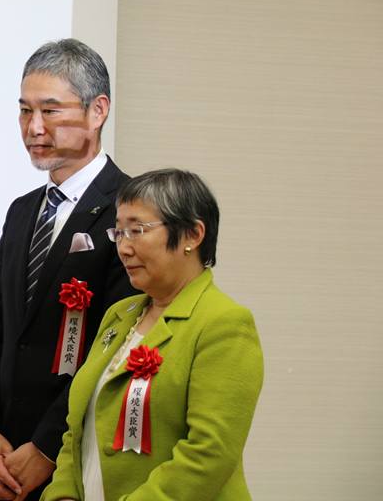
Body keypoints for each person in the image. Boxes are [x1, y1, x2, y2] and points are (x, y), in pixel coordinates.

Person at [0, 39, 136, 501]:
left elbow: (115, 350)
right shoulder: (22, 211)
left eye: (50, 110)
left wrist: (46, 447)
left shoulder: (131, 208)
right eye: (24, 111)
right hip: (5, 464)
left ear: (98, 111)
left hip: (77, 461)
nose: (34, 127)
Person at [41, 169, 264, 501]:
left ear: (192, 235)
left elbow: (208, 454)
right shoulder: (120, 315)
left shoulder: (224, 323)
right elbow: (76, 430)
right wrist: (63, 494)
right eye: (119, 232)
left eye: (137, 230)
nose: (123, 248)